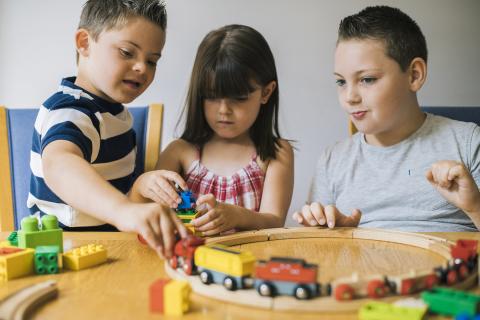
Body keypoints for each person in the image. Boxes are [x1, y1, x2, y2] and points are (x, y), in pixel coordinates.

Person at [293, 5, 480, 232]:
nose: (350, 97)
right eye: (341, 82)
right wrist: (332, 232)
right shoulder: (332, 160)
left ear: (414, 75)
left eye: (367, 79)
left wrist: (475, 207)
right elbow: (315, 249)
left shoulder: (468, 142)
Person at [28, 0, 186, 257]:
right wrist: (124, 210)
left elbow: (115, 213)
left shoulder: (116, 115)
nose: (142, 68)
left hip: (109, 250)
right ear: (84, 43)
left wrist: (138, 190)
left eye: (152, 60)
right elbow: (59, 163)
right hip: (64, 254)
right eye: (127, 52)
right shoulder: (71, 109)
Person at [130, 24, 294, 235]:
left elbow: (274, 222)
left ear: (266, 92)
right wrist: (141, 185)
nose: (224, 110)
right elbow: (147, 213)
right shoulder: (180, 152)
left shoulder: (275, 153)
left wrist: (237, 216)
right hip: (188, 263)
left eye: (239, 98)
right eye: (212, 96)